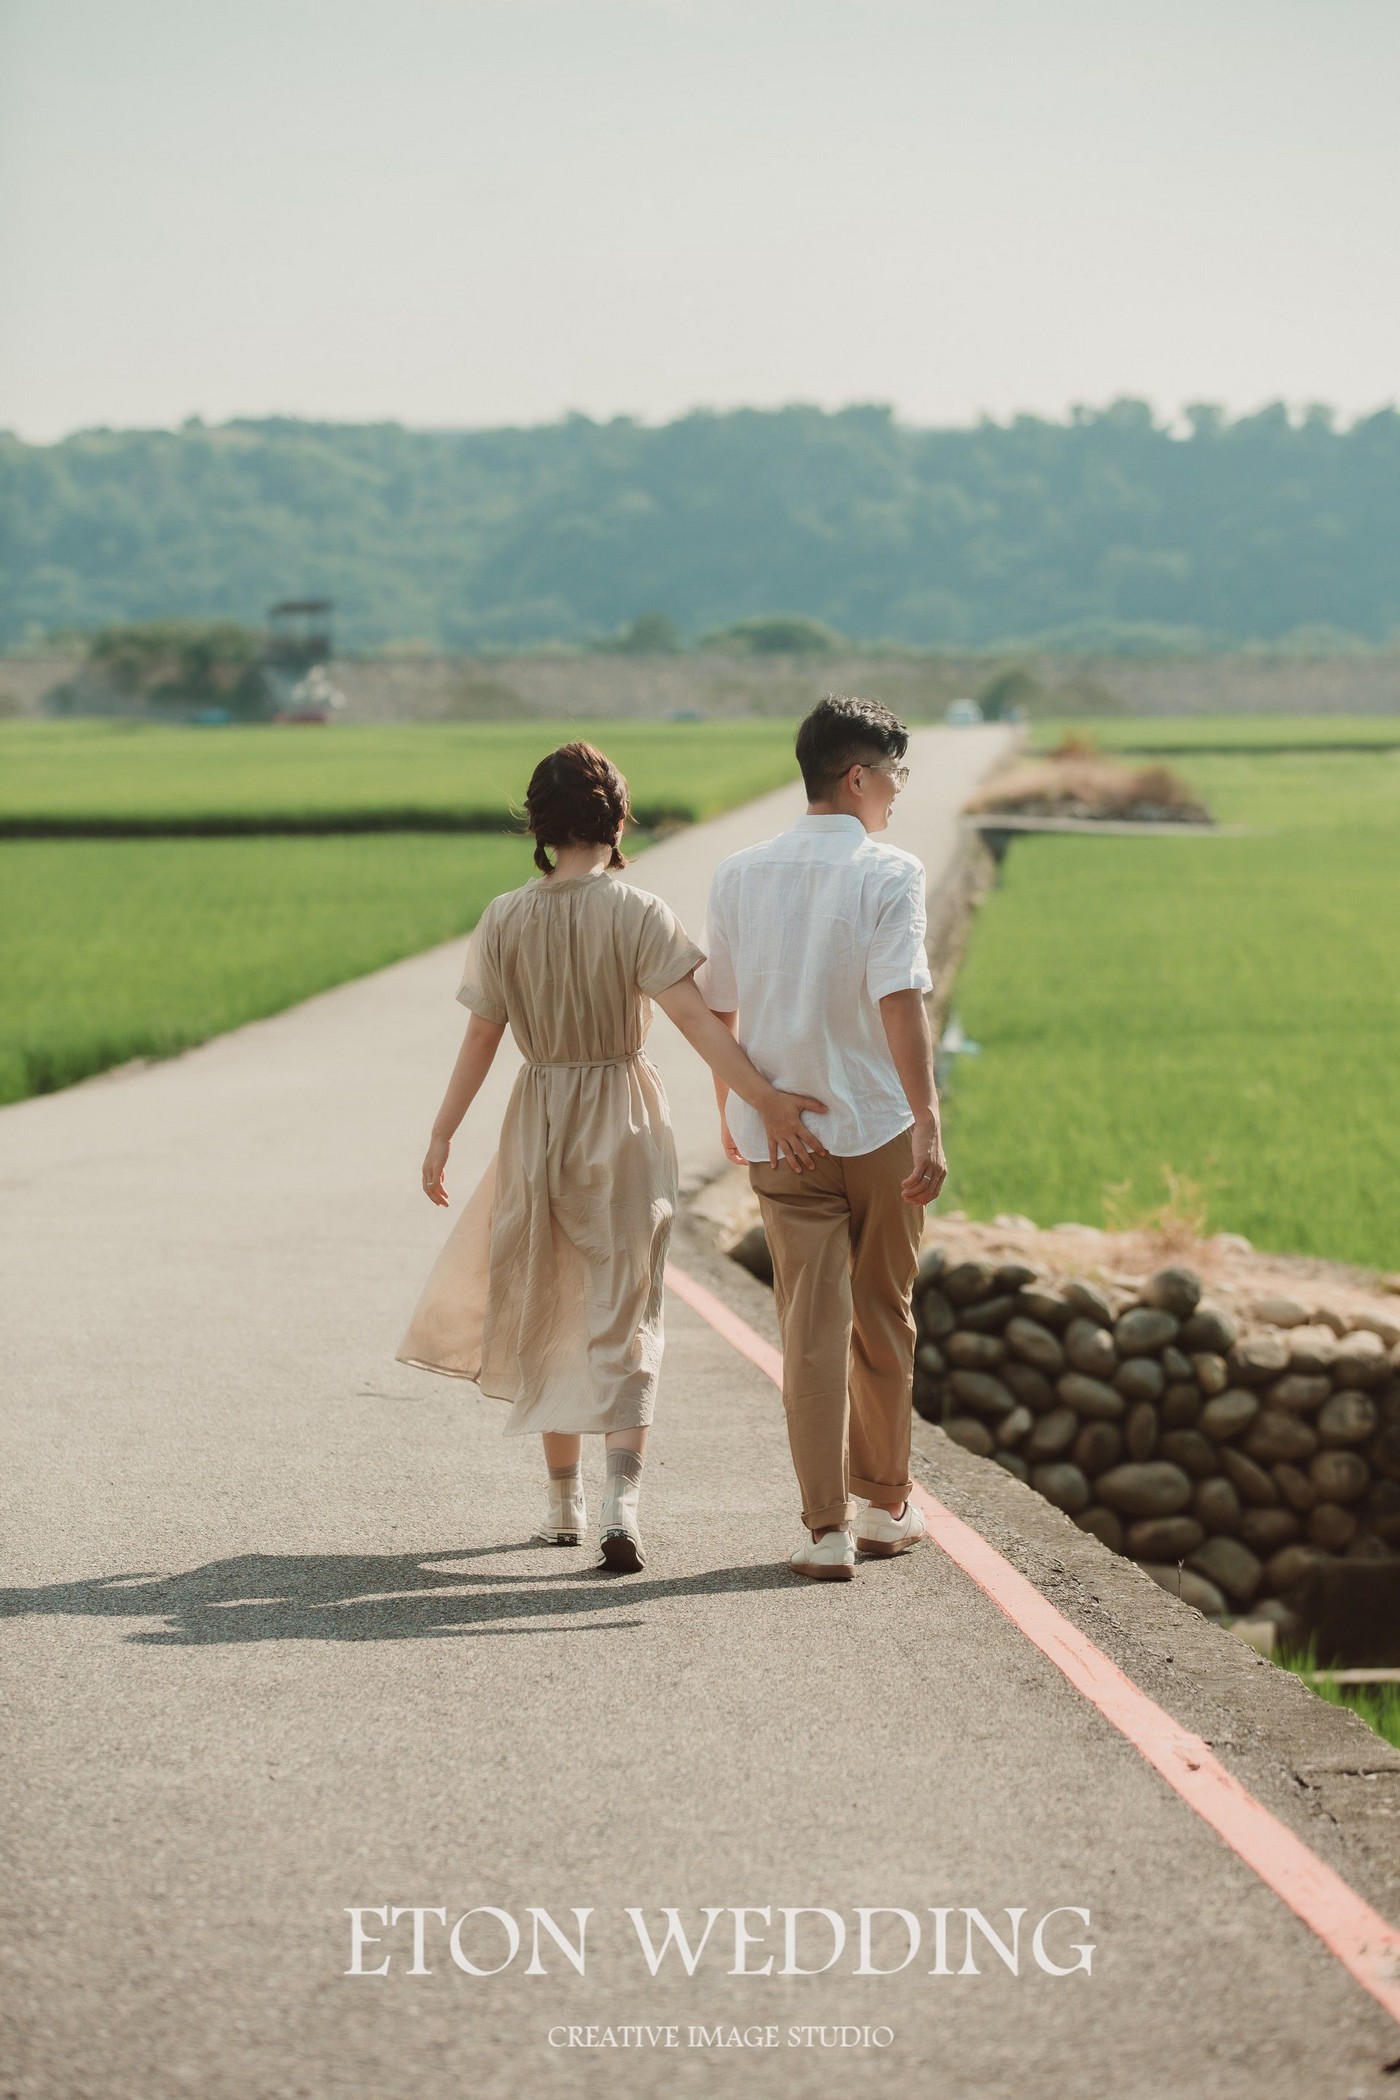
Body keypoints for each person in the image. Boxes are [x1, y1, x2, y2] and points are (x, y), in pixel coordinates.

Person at [395, 741, 827, 1573]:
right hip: (624, 1117)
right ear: (617, 816)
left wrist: (444, 1132)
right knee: (624, 1310)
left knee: (547, 1298)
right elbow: (702, 1024)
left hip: (539, 1114)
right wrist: (762, 1098)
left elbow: (481, 1039)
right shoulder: (638, 912)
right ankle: (622, 1505)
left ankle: (562, 1502)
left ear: (538, 823)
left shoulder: (503, 917)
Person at [698, 696, 948, 1582]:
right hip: (874, 1125)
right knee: (884, 1314)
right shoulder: (891, 872)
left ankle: (823, 1532)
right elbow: (900, 1001)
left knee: (809, 1327)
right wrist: (928, 1118)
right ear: (856, 776)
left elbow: (717, 1008)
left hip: (781, 1135)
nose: (895, 793)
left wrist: (741, 1105)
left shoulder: (736, 874)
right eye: (893, 775)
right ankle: (885, 1509)